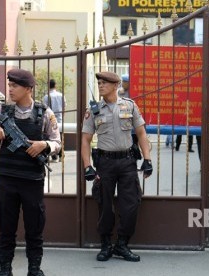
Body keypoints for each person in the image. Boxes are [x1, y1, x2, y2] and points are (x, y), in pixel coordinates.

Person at [0, 69, 61, 276]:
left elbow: (57, 142)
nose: (10, 89)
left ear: (28, 88)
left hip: (32, 180)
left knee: (34, 227)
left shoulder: (45, 113)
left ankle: (34, 269)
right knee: (6, 227)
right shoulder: (4, 113)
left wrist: (43, 145)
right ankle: (5, 269)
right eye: (9, 85)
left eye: (14, 86)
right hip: (8, 179)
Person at [81, 71, 152, 262]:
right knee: (105, 205)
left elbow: (142, 133)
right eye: (99, 83)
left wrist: (147, 159)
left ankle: (122, 245)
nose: (101, 86)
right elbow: (86, 140)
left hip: (127, 162)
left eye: (105, 83)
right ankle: (106, 245)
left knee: (130, 204)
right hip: (105, 163)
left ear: (115, 85)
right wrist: (88, 166)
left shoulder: (129, 105)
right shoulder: (94, 110)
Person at [42, 79, 66, 162]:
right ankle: (61, 155)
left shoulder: (46, 96)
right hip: (59, 119)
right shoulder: (61, 95)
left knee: (50, 137)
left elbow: (44, 110)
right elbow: (64, 107)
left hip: (50, 120)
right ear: (55, 85)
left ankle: (54, 156)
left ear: (48, 86)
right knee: (60, 137)